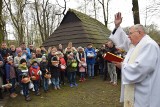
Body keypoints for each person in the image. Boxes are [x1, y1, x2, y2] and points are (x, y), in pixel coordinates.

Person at [110, 12, 160, 107]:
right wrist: (117, 26)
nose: (128, 36)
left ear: (139, 32)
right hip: (136, 91)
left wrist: (122, 65)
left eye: (130, 33)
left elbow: (140, 68)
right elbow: (122, 40)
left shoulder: (149, 45)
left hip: (145, 93)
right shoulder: (135, 45)